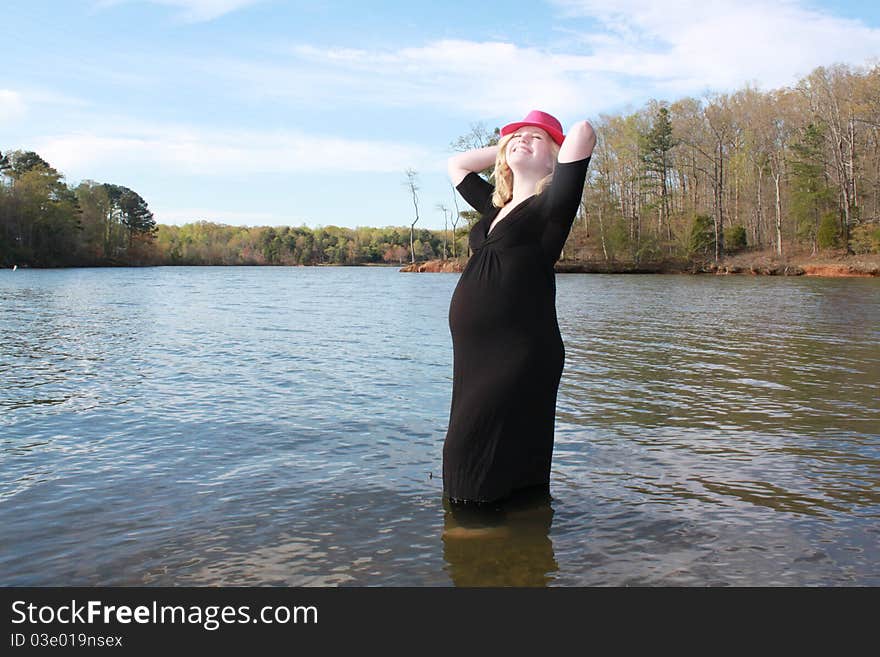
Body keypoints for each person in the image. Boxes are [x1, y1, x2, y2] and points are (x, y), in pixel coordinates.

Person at [443, 109, 596, 505]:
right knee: (497, 455)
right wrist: (510, 146)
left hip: (520, 351)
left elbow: (582, 133)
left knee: (470, 452)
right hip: (477, 356)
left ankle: (478, 536)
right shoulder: (495, 210)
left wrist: (537, 140)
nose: (523, 140)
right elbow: (455, 164)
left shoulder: (551, 209)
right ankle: (523, 538)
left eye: (537, 139)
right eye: (518, 136)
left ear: (554, 159)